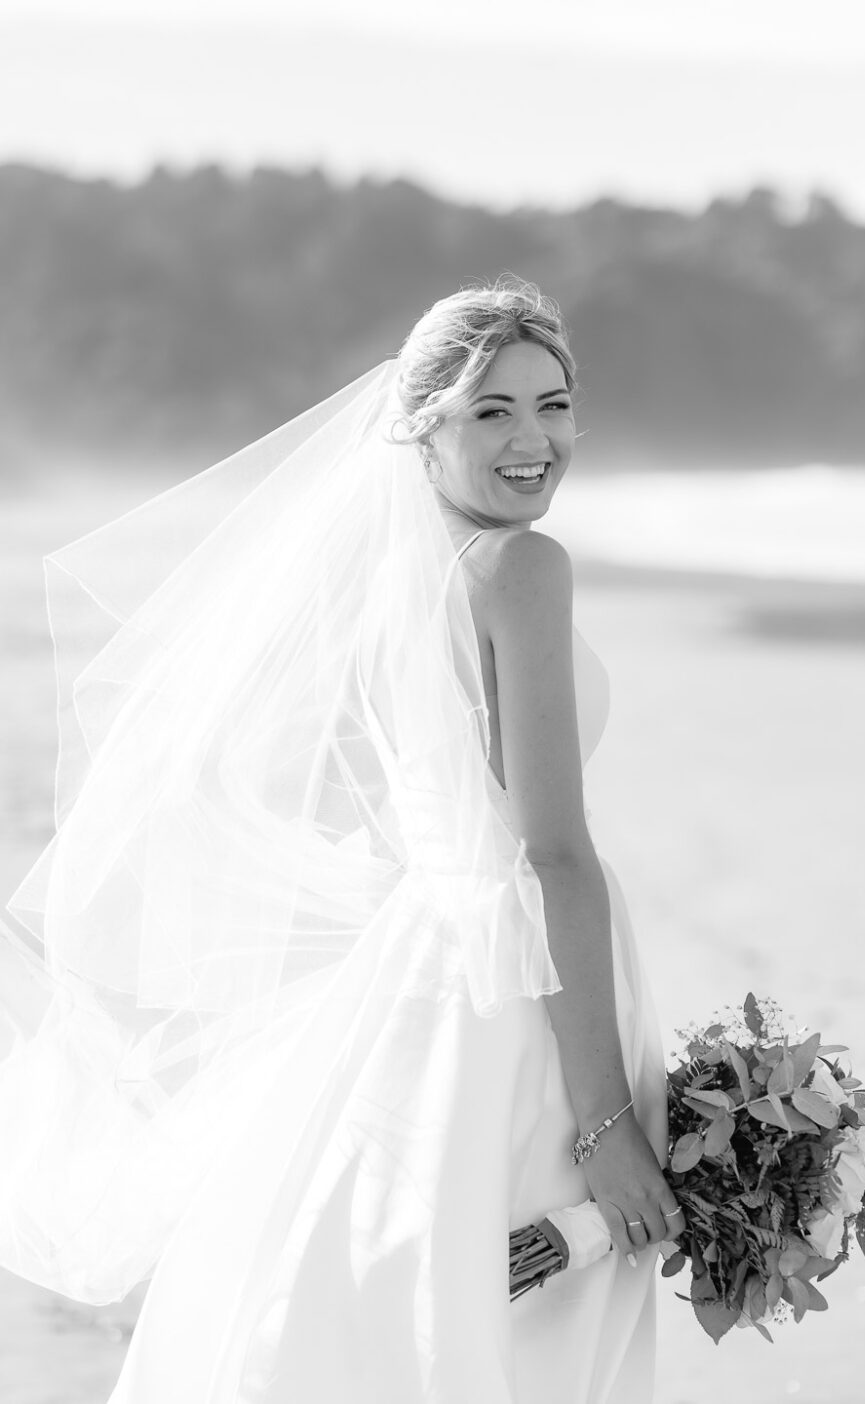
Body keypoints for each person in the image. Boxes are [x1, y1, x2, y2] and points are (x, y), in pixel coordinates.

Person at [0, 274, 682, 1402]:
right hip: (522, 1008)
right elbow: (549, 856)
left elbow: (347, 792)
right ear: (424, 430)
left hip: (416, 982)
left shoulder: (385, 580)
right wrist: (609, 1123)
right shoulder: (522, 570)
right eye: (492, 411)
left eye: (553, 404)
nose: (535, 439)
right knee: (525, 1344)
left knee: (378, 1318)